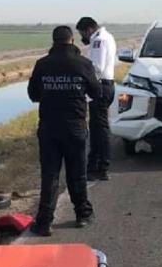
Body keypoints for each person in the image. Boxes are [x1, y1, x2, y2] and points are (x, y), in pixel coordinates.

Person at [27, 25, 102, 237]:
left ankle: (44, 223)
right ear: (71, 41)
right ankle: (82, 215)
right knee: (77, 173)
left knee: (50, 174)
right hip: (75, 126)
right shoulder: (83, 64)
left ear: (53, 42)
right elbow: (96, 92)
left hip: (49, 127)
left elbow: (33, 94)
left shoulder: (42, 64)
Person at [76, 17, 116, 181]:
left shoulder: (98, 40)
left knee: (100, 129)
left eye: (82, 33)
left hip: (100, 86)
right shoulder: (108, 36)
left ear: (89, 29)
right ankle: (94, 165)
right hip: (106, 86)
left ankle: (103, 167)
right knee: (96, 128)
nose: (82, 37)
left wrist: (84, 77)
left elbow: (97, 67)